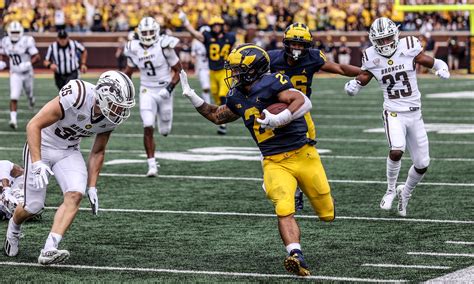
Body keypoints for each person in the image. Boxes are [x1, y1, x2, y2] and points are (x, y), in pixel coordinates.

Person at [180, 44, 335, 276]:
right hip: (273, 160)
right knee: (284, 208)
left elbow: (302, 101)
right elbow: (216, 115)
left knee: (327, 213)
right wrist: (192, 97)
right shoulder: (236, 96)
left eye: (237, 68)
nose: (233, 73)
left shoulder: (273, 82)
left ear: (254, 70)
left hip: (303, 154)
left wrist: (279, 118)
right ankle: (296, 254)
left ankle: (297, 194)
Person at [3, 70, 136, 265]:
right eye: (117, 104)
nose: (119, 110)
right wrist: (38, 162)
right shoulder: (77, 95)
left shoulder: (109, 118)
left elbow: (98, 151)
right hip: (43, 145)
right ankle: (13, 229)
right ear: (104, 95)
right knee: (33, 206)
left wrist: (92, 185)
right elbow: (33, 125)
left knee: (75, 194)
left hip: (68, 150)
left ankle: (50, 248)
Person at [345, 17, 450, 216]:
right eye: (380, 40)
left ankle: (406, 192)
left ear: (395, 35)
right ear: (373, 40)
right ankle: (391, 190)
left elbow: (434, 62)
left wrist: (442, 68)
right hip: (393, 112)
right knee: (397, 150)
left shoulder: (409, 46)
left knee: (422, 164)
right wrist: (353, 86)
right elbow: (364, 77)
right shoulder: (370, 56)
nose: (384, 43)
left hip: (415, 113)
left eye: (387, 38)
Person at [268, 23, 360, 210]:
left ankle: (301, 190)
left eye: (302, 45)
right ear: (286, 43)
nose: (297, 48)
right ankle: (285, 189)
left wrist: (364, 73)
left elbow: (340, 69)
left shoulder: (313, 57)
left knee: (305, 153)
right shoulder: (271, 59)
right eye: (294, 43)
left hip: (300, 112)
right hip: (275, 110)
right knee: (274, 152)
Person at [123, 17, 181, 177]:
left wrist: (169, 88)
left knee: (164, 130)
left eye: (150, 32)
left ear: (156, 32)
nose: (148, 35)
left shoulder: (165, 45)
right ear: (139, 33)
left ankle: (163, 130)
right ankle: (152, 165)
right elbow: (128, 71)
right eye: (145, 32)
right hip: (146, 90)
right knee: (148, 125)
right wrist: (118, 83)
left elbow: (179, 70)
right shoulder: (133, 48)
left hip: (164, 89)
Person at [180, 12, 236, 135]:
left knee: (222, 95)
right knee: (216, 97)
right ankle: (222, 119)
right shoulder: (207, 36)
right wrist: (186, 23)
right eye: (214, 25)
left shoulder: (230, 37)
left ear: (222, 25)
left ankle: (224, 123)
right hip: (212, 71)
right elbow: (194, 34)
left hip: (225, 70)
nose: (216, 27)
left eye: (218, 25)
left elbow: (236, 49)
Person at [0, 21, 41, 130]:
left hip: (27, 73)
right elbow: (2, 53)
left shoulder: (27, 40)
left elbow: (37, 56)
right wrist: (2, 62)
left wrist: (28, 63)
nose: (14, 34)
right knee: (14, 96)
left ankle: (31, 100)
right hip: (15, 73)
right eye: (13, 32)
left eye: (16, 32)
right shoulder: (5, 41)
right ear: (8, 32)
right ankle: (13, 120)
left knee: (29, 93)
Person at [191, 26, 211, 104]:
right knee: (206, 87)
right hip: (201, 67)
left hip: (212, 67)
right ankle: (208, 103)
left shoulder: (212, 42)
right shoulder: (196, 42)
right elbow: (193, 54)